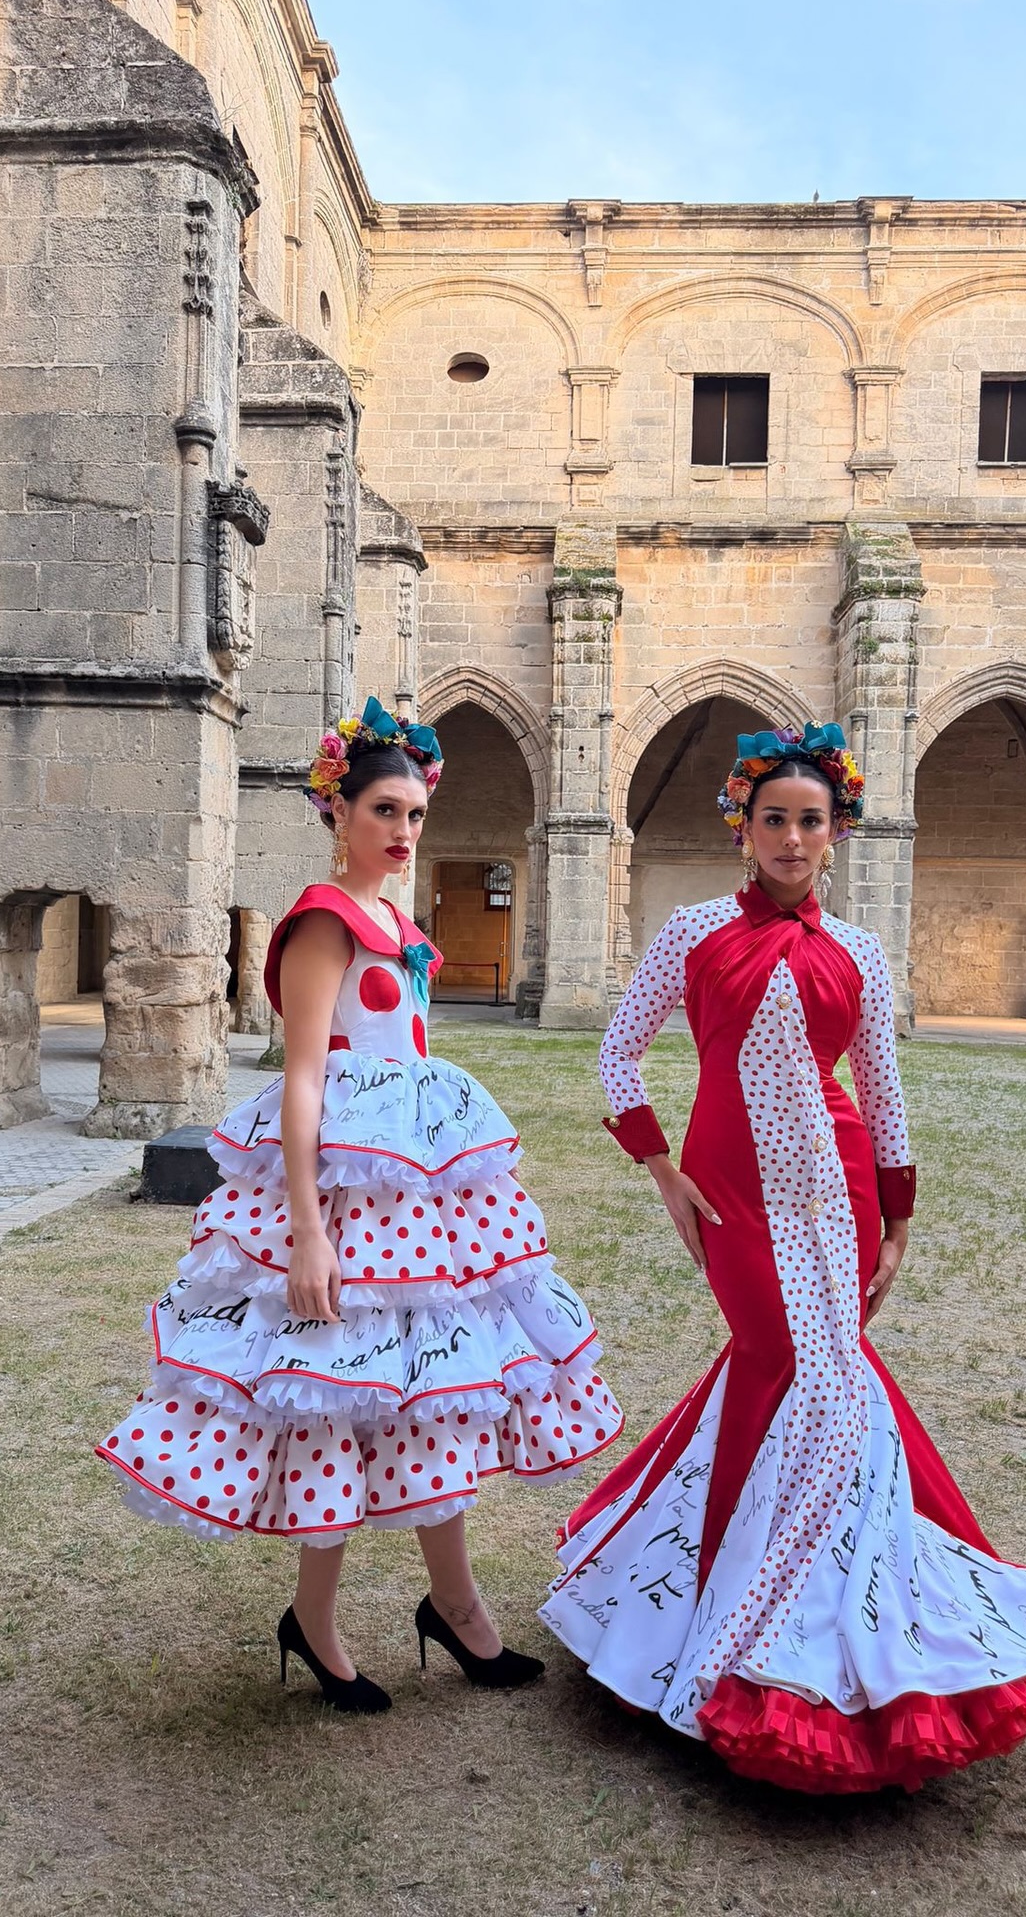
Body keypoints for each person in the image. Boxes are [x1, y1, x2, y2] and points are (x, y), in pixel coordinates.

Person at [540, 721, 1026, 1792]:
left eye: (812, 821)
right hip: (731, 1193)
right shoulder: (694, 931)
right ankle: (729, 1612)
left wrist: (899, 1215)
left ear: (836, 832)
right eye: (774, 819)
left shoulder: (862, 953)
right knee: (784, 1363)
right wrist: (661, 1170)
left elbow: (882, 1090)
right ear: (742, 827)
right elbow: (617, 1056)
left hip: (837, 1192)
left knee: (819, 1373)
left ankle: (816, 1599)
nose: (793, 839)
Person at [97, 699, 623, 1713]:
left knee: (433, 1393)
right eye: (385, 810)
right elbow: (302, 1078)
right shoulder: (323, 921)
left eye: (416, 814)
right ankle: (317, 1620)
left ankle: (456, 1606)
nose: (403, 830)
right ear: (337, 809)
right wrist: (306, 1232)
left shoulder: (399, 926)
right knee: (332, 1397)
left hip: (418, 1205)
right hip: (343, 1203)